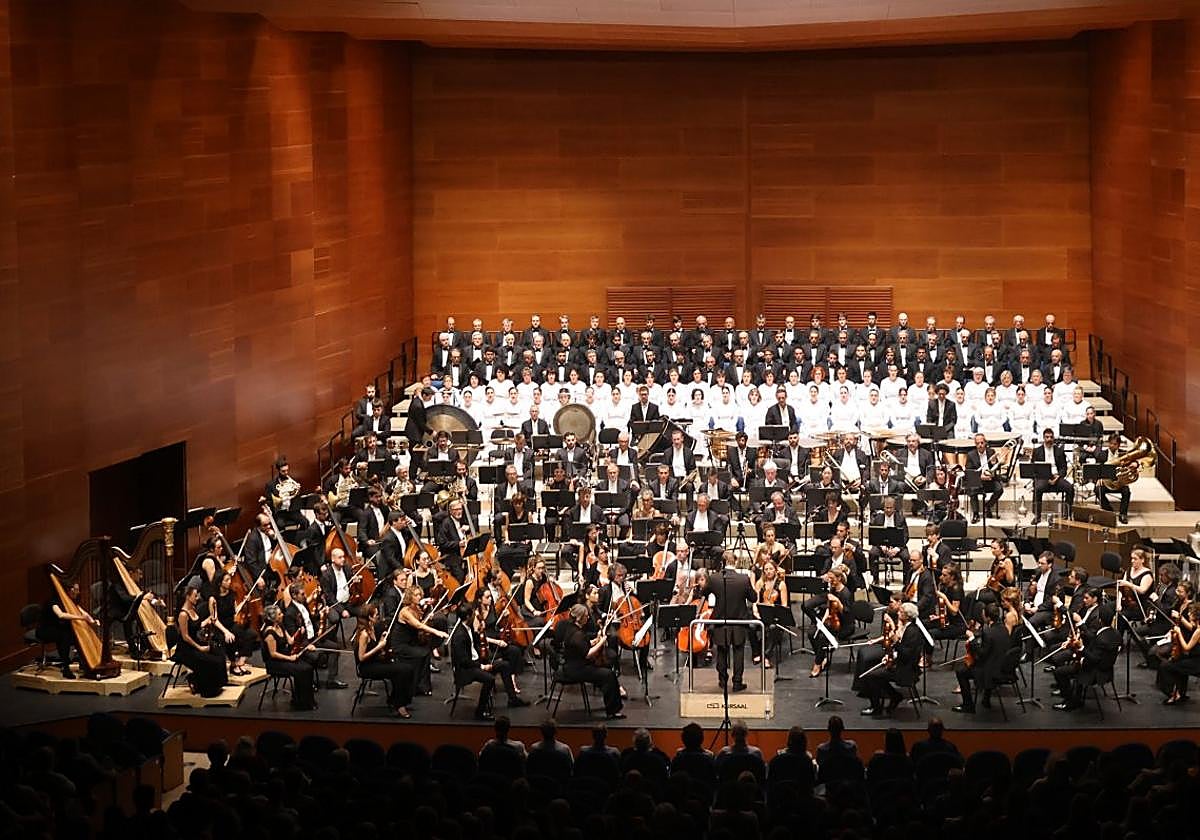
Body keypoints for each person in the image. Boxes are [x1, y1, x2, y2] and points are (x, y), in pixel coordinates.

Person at [701, 550, 756, 691]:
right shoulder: (744, 579)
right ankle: (737, 682)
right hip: (739, 621)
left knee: (721, 651)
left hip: (720, 620)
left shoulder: (714, 578)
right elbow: (753, 598)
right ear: (735, 562)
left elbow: (703, 593)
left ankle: (722, 681)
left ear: (722, 562)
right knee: (738, 651)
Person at [857, 602, 924, 716]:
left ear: (907, 616)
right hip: (901, 664)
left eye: (901, 612)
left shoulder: (912, 632)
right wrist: (889, 657)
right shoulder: (906, 628)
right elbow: (900, 652)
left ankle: (877, 708)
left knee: (871, 677)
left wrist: (896, 641)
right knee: (874, 673)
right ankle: (894, 696)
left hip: (906, 670)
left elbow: (906, 654)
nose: (898, 613)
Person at [1053, 601, 1120, 711]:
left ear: (1099, 620)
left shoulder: (1101, 638)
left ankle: (1070, 701)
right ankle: (1076, 696)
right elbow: (1098, 649)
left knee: (1059, 672)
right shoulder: (1115, 634)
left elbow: (1094, 659)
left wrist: (1081, 650)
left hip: (1095, 672)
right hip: (1107, 670)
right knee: (1073, 665)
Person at [560, 603, 624, 718]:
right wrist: (601, 641)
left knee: (606, 670)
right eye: (586, 616)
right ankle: (612, 711)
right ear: (579, 618)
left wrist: (594, 641)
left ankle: (612, 706)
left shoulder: (572, 628)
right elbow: (588, 654)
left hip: (574, 665)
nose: (588, 618)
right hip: (576, 669)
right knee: (608, 675)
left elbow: (581, 646)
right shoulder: (577, 634)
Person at [353, 603, 414, 718]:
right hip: (367, 667)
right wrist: (379, 646)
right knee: (402, 671)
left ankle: (396, 700)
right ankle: (399, 704)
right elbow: (361, 657)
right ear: (370, 617)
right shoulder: (364, 634)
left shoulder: (372, 628)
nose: (378, 616)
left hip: (375, 662)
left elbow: (375, 648)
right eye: (376, 615)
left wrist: (381, 640)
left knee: (407, 668)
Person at [37, 580, 100, 679]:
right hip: (45, 630)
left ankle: (83, 663)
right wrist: (81, 618)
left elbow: (82, 612)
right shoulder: (53, 601)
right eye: (76, 590)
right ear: (69, 590)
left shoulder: (69, 601)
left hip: (59, 629)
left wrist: (92, 621)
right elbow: (61, 615)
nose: (78, 592)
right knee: (65, 635)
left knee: (71, 633)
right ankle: (65, 667)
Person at [952, 603, 1009, 713]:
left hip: (989, 671)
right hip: (1001, 666)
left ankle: (968, 705)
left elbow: (982, 654)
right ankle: (986, 699)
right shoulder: (1004, 629)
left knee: (961, 672)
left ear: (987, 617)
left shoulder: (988, 632)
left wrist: (972, 639)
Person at [174, 582, 228, 698]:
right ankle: (204, 687)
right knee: (211, 661)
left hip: (196, 644)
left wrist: (210, 618)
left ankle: (215, 685)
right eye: (195, 595)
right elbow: (185, 637)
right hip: (186, 649)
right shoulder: (183, 614)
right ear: (188, 597)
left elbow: (198, 625)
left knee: (219, 654)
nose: (197, 597)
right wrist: (200, 648)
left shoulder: (193, 609)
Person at [261, 604, 314, 710]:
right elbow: (273, 654)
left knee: (308, 667)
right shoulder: (269, 633)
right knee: (302, 670)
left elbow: (291, 641)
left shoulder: (280, 626)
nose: (282, 615)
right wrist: (290, 658)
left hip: (286, 657)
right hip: (275, 663)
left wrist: (300, 633)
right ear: (273, 618)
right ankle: (301, 702)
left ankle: (303, 700)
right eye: (280, 614)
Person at [207, 570, 257, 677]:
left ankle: (241, 662)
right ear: (220, 582)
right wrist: (226, 632)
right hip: (220, 628)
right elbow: (214, 619)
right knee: (231, 638)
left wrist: (244, 602)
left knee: (251, 634)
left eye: (229, 579)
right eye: (227, 580)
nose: (230, 582)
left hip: (231, 624)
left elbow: (235, 611)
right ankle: (233, 664)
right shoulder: (213, 599)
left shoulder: (231, 594)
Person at [1157, 603, 1200, 705]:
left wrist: (1179, 633)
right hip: (1195, 658)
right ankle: (1181, 693)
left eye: (1190, 613)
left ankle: (1172, 694)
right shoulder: (1196, 629)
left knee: (1165, 666)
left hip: (1197, 663)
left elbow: (1187, 647)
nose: (1188, 614)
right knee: (1179, 662)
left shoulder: (1198, 631)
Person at [1032, 428, 1074, 522]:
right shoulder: (1037, 451)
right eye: (1047, 437)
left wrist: (1058, 476)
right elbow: (1034, 468)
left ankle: (1066, 514)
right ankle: (1037, 516)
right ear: (1043, 438)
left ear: (1053, 438)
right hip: (1043, 477)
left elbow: (1064, 468)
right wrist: (1045, 478)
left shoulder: (1059, 450)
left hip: (1056, 477)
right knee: (1037, 488)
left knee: (1070, 488)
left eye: (1051, 437)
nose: (1049, 439)